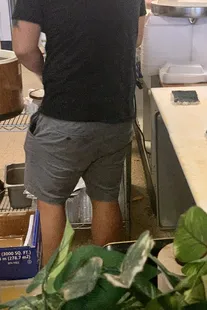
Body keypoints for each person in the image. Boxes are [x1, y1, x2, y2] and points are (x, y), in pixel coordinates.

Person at [12, 0, 146, 265]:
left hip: (63, 114)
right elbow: (137, 37)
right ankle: (105, 280)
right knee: (106, 196)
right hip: (116, 112)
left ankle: (52, 287)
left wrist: (49, 74)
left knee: (51, 201)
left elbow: (24, 48)